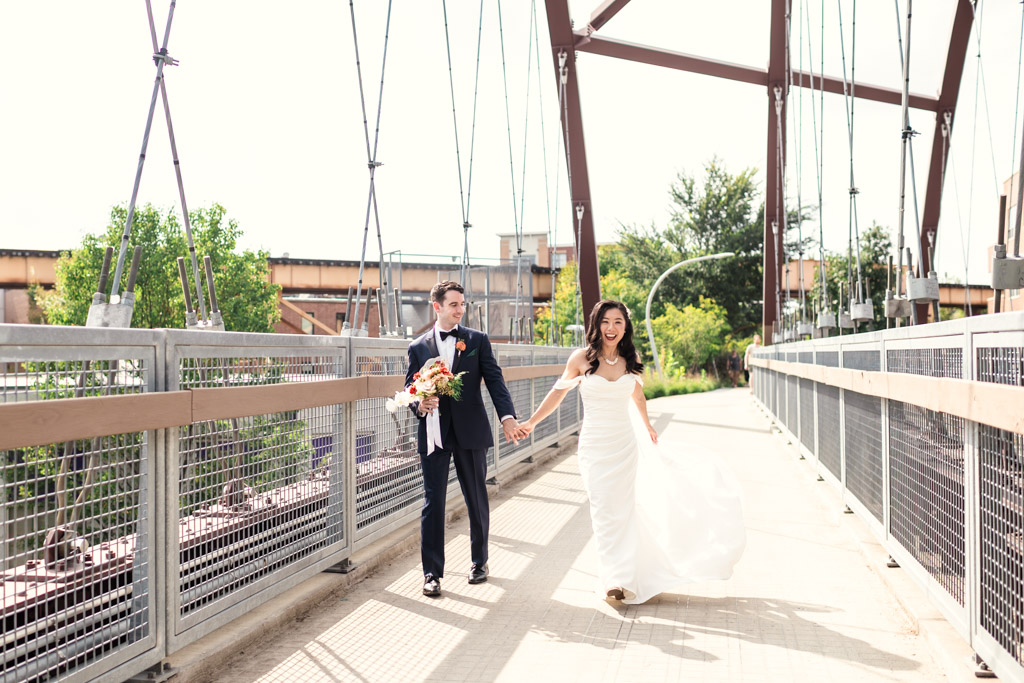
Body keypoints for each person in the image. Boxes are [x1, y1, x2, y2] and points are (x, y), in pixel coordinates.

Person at [515, 300, 746, 604]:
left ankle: (621, 580)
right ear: (596, 325)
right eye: (606, 322)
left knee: (622, 510)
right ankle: (614, 576)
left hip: (625, 445)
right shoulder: (580, 359)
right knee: (602, 509)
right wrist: (531, 422)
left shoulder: (631, 359)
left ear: (626, 327)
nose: (612, 328)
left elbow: (637, 395)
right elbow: (558, 392)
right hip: (595, 446)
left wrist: (648, 426)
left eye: (618, 322)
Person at [407, 280, 521, 598]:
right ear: (438, 307)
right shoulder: (418, 347)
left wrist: (507, 417)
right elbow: (410, 390)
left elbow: (495, 381)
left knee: (476, 498)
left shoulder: (476, 340)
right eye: (454, 304)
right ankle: (431, 574)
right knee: (433, 504)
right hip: (434, 435)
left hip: (471, 432)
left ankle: (479, 563)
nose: (460, 310)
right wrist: (420, 404)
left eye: (462, 304)